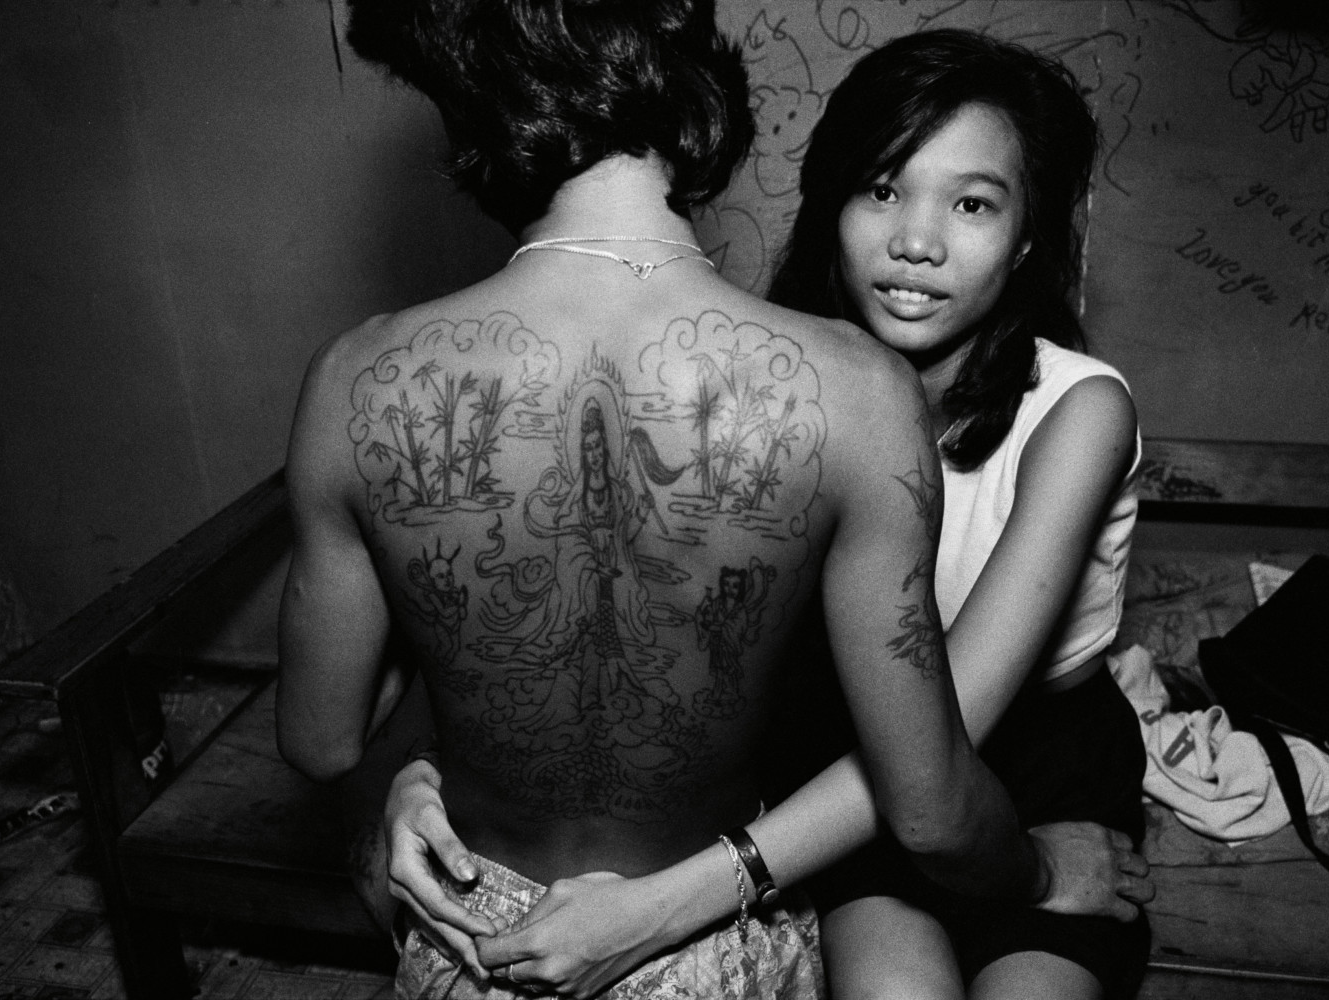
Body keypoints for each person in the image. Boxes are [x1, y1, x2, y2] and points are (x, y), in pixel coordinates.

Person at [278, 5, 1138, 999]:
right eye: (883, 188)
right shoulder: (854, 390)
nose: (915, 240)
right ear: (697, 96)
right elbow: (927, 796)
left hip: (475, 930)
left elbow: (321, 739)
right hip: (719, 948)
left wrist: (419, 772)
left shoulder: (354, 378)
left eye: (973, 204)